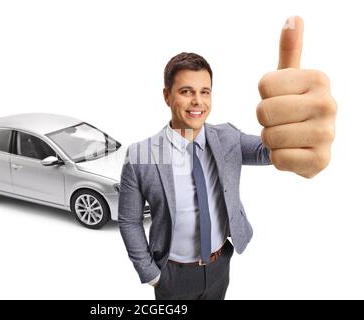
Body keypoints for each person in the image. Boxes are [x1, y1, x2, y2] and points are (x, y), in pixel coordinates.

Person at [118, 16, 337, 300]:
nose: (198, 101)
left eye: (204, 92)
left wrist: (296, 131)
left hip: (220, 265)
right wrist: (152, 275)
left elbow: (268, 150)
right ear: (167, 96)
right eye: (186, 92)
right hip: (172, 275)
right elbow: (129, 221)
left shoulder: (227, 138)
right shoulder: (141, 155)